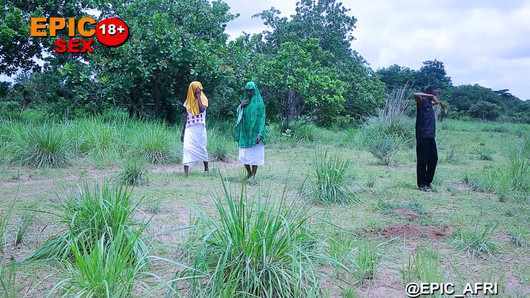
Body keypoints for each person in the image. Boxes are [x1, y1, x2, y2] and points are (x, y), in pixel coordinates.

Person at [413, 86, 446, 191]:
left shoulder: (429, 104)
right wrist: (431, 96)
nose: (435, 96)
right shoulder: (421, 101)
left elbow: (434, 103)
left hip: (431, 136)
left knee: (434, 158)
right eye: (433, 94)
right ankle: (422, 185)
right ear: (428, 93)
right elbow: (415, 94)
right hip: (422, 135)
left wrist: (439, 103)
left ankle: (428, 182)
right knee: (423, 160)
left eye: (436, 95)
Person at [234, 81, 266, 180]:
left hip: (256, 133)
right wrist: (241, 106)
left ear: (254, 91)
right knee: (244, 155)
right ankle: (249, 172)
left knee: (255, 156)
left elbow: (262, 119)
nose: (249, 93)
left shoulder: (260, 104)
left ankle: (253, 175)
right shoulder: (245, 102)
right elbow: (239, 116)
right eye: (247, 91)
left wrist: (260, 133)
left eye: (251, 91)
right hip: (245, 133)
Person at [181, 81, 209, 177]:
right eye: (195, 88)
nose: (197, 90)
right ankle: (186, 172)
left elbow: (201, 109)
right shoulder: (188, 101)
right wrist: (183, 132)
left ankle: (206, 168)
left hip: (200, 128)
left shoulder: (203, 99)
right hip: (190, 128)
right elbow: (186, 117)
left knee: (202, 148)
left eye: (199, 88)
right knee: (187, 148)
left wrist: (198, 97)